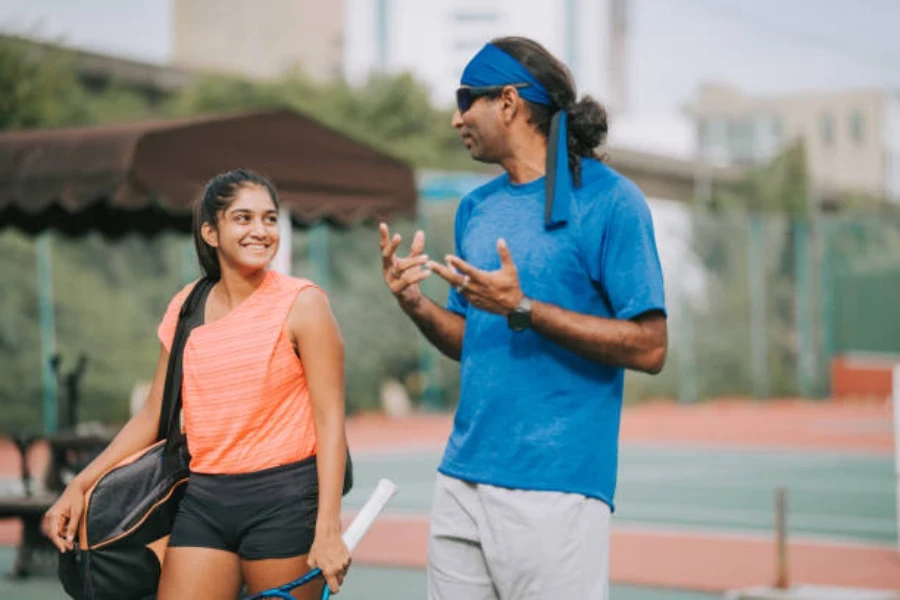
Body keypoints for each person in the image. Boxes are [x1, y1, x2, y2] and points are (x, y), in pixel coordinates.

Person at [379, 37, 668, 599]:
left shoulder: (612, 201)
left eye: (468, 98)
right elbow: (470, 340)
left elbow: (650, 347)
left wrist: (525, 309)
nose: (456, 116)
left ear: (508, 102)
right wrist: (413, 303)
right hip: (462, 477)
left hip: (556, 486)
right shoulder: (476, 209)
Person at [43, 169, 351, 599]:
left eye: (269, 218)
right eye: (243, 218)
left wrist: (328, 528)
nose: (260, 231)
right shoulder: (187, 306)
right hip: (204, 500)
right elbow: (152, 416)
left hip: (284, 501)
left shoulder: (304, 304)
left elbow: (330, 421)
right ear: (211, 231)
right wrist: (78, 484)